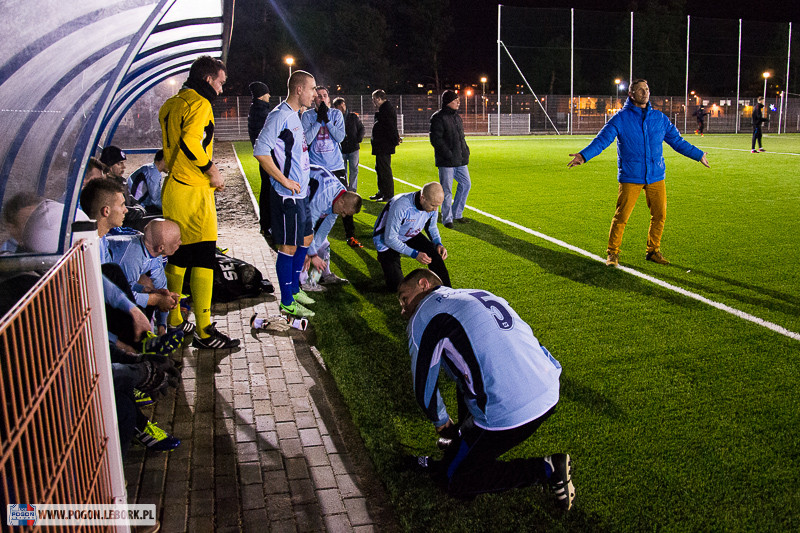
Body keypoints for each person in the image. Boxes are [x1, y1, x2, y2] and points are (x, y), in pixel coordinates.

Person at [397, 269, 575, 508]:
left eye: (404, 299)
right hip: (549, 383)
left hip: (510, 410)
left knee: (454, 479)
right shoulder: (475, 293)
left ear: (423, 284)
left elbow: (423, 389)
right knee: (468, 370)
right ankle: (462, 443)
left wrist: (442, 422)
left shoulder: (423, 315)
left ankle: (546, 469)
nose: (403, 309)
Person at [567, 79, 710, 267]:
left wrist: (698, 155)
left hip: (656, 176)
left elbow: (677, 141)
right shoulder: (620, 118)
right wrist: (584, 156)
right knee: (622, 216)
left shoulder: (659, 118)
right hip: (631, 176)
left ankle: (653, 251)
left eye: (647, 89)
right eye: (640, 90)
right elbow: (602, 140)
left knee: (659, 215)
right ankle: (613, 253)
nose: (645, 92)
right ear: (631, 94)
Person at [159, 55, 240, 349]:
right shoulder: (200, 103)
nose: (221, 89)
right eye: (220, 82)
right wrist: (212, 169)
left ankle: (174, 320)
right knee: (204, 255)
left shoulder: (171, 103)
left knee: (178, 255)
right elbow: (191, 142)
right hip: (193, 189)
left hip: (173, 188)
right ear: (208, 79)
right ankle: (204, 331)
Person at [253, 70, 318, 319]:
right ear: (299, 89)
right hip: (287, 196)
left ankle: (295, 289)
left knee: (306, 239)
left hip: (301, 194)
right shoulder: (280, 115)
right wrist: (283, 180)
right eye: (312, 89)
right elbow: (261, 151)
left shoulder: (295, 114)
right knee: (288, 247)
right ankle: (287, 302)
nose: (314, 94)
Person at [301, 86, 361, 248]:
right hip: (316, 168)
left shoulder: (336, 114)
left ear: (328, 98)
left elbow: (340, 137)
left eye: (325, 95)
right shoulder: (307, 116)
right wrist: (318, 121)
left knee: (345, 200)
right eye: (318, 96)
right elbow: (307, 140)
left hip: (335, 166)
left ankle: (350, 236)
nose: (322, 98)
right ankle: (312, 239)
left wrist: (327, 120)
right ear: (314, 99)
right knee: (315, 204)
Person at [106, 219, 185, 337]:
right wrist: (156, 299)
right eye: (177, 240)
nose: (180, 242)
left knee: (150, 290)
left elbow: (161, 288)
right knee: (147, 291)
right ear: (161, 248)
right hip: (99, 291)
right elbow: (123, 294)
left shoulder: (153, 252)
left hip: (115, 284)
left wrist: (162, 327)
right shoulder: (133, 257)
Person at [373, 182, 450, 291]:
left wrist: (438, 243)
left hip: (409, 233)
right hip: (385, 239)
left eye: (438, 205)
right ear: (423, 198)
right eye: (433, 205)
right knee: (396, 287)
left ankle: (448, 290)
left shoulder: (432, 203)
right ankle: (384, 257)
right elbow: (390, 238)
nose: (435, 209)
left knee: (435, 253)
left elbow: (431, 227)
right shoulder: (401, 205)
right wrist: (414, 254)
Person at [303, 165, 363, 289]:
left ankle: (317, 279)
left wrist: (314, 250)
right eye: (344, 212)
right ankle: (303, 283)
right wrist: (311, 253)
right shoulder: (324, 196)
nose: (343, 215)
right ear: (341, 202)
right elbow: (307, 225)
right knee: (301, 247)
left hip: (308, 204)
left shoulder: (340, 196)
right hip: (292, 202)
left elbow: (324, 229)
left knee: (323, 245)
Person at [430, 90, 471, 229]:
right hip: (446, 161)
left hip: (460, 159)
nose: (458, 102)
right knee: (447, 190)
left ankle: (457, 213)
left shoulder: (457, 117)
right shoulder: (438, 117)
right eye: (455, 100)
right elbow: (436, 140)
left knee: (466, 184)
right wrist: (448, 154)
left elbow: (461, 138)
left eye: (458, 100)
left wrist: (466, 151)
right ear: (448, 102)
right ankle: (447, 219)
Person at [246, 81, 273, 237]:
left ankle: (267, 225)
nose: (269, 95)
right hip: (268, 157)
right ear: (261, 95)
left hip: (264, 157)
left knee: (267, 190)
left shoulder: (256, 110)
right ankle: (268, 225)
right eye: (267, 93)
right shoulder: (261, 112)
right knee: (269, 191)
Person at [369, 90, 401, 202]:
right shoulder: (385, 109)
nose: (373, 102)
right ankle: (382, 192)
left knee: (384, 170)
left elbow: (391, 127)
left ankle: (388, 195)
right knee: (380, 168)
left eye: (374, 99)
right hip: (382, 144)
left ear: (378, 99)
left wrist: (395, 139)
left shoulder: (386, 109)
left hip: (384, 145)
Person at [333, 97, 364, 196]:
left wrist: (358, 139)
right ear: (336, 107)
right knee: (343, 170)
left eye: (343, 105)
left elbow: (361, 128)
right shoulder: (335, 118)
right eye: (340, 106)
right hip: (341, 149)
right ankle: (344, 189)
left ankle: (352, 190)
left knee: (354, 169)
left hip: (353, 148)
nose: (342, 107)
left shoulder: (353, 116)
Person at [127, 149, 167, 214]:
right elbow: (156, 201)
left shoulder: (149, 167)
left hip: (135, 203)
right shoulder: (153, 172)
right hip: (138, 208)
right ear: (164, 159)